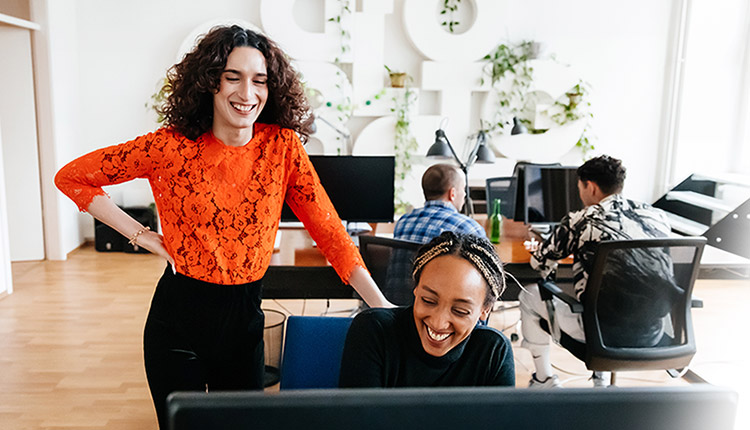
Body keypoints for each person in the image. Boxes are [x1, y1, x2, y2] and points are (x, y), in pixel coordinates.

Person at [54, 25, 393, 428]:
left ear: (272, 89)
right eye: (232, 77)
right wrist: (143, 236)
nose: (246, 93)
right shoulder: (169, 146)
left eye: (259, 80)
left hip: (245, 325)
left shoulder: (282, 147)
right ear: (210, 82)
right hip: (177, 324)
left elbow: (331, 233)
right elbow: (72, 177)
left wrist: (382, 306)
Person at [519, 155, 671, 388]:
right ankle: (600, 379)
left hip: (599, 332)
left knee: (528, 293)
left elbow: (539, 264)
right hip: (653, 331)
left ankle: (544, 379)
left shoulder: (582, 220)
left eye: (580, 187)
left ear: (590, 186)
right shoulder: (657, 217)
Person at [339, 231, 515, 388]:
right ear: (416, 288)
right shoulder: (374, 331)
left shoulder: (492, 352)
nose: (438, 322)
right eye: (428, 301)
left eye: (460, 311)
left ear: (485, 309)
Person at [393, 164, 486, 244]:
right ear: (452, 193)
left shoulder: (403, 222)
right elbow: (488, 264)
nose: (465, 194)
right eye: (463, 189)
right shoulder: (468, 228)